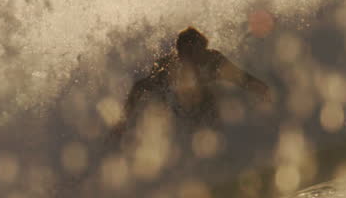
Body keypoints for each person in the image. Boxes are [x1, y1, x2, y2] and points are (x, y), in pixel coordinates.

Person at [113, 26, 270, 140]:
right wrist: (123, 121)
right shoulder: (170, 69)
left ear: (203, 48)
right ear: (180, 54)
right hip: (176, 104)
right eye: (185, 53)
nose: (191, 58)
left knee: (208, 99)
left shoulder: (213, 62)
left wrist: (263, 90)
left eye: (195, 52)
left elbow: (241, 79)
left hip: (203, 101)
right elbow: (139, 87)